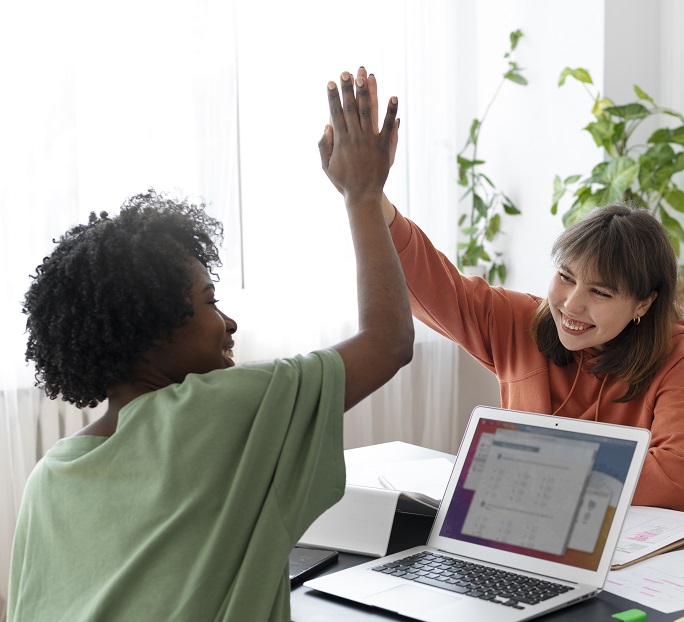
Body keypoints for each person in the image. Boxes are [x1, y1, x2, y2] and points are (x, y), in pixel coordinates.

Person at [7, 70, 413, 620]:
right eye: (209, 301)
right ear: (152, 331)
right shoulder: (213, 410)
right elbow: (388, 342)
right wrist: (363, 193)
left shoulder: (49, 475)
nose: (230, 324)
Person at [320, 71, 684, 513]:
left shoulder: (672, 352)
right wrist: (368, 195)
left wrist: (532, 474)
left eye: (600, 293)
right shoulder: (521, 321)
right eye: (565, 276)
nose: (572, 304)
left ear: (644, 303)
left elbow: (679, 475)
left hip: (638, 560)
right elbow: (429, 281)